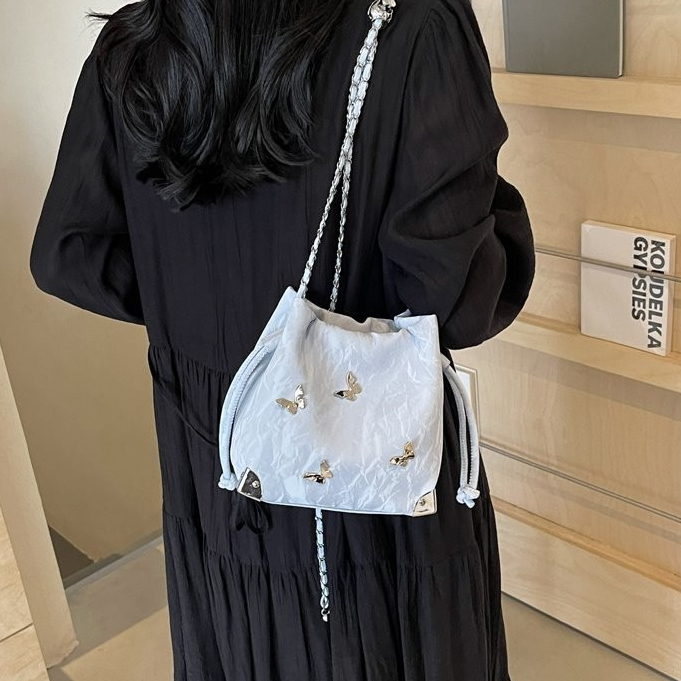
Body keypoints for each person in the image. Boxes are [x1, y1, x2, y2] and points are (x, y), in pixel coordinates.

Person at [29, 0, 535, 678]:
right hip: (369, 491)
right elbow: (460, 300)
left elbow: (67, 253)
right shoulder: (411, 26)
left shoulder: (138, 41)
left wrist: (207, 320)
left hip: (222, 469)